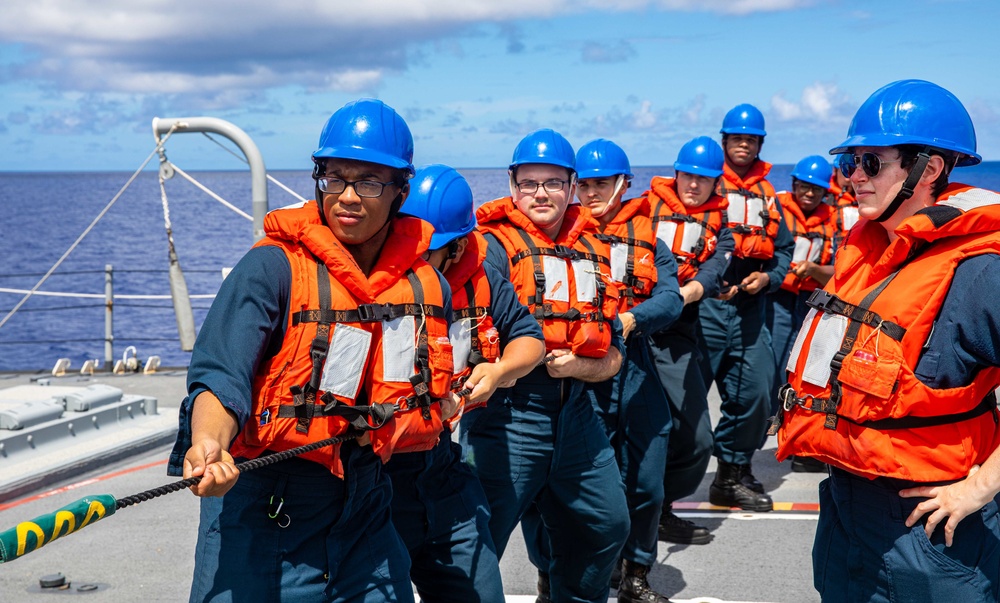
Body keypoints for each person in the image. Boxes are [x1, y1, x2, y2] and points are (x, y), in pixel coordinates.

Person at [167, 99, 454, 603]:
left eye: (367, 182)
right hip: (265, 500)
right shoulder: (271, 268)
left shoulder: (423, 286)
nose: (346, 196)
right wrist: (209, 444)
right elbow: (220, 373)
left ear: (401, 192)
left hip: (365, 503)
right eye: (333, 178)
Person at [773, 79, 1000, 602]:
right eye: (849, 162)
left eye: (870, 163)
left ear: (929, 170)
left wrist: (980, 487)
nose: (853, 177)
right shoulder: (870, 253)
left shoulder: (978, 271)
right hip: (847, 514)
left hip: (930, 535)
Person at [461, 129, 630, 603]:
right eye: (529, 182)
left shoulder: (596, 252)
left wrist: (582, 366)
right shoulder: (490, 248)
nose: (541, 193)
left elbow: (614, 351)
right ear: (512, 186)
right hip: (508, 414)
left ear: (572, 186)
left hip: (577, 411)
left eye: (553, 183)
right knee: (477, 543)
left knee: (606, 525)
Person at [389, 164, 546, 603]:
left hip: (441, 466)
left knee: (477, 591)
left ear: (456, 249)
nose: (412, 264)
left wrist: (498, 372)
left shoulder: (482, 283)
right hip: (375, 473)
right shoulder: (374, 285)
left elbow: (529, 338)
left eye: (426, 254)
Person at [572, 139, 683, 602]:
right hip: (580, 371)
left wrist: (628, 320)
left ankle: (636, 574)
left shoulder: (649, 239)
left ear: (623, 185)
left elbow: (671, 297)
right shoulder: (564, 238)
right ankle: (569, 572)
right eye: (586, 184)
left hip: (635, 363)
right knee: (582, 483)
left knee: (647, 481)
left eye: (602, 183)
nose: (593, 193)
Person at [700, 104, 794, 512]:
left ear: (760, 144)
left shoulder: (768, 196)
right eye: (737, 137)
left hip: (751, 307)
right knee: (684, 408)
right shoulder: (703, 183)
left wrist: (770, 279)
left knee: (756, 396)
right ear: (724, 141)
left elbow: (785, 250)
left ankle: (730, 475)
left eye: (752, 139)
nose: (744, 143)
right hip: (704, 310)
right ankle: (660, 503)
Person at [643, 136, 735, 543]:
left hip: (678, 331)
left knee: (697, 438)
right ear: (675, 174)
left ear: (717, 184)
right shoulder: (643, 212)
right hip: (632, 329)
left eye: (704, 179)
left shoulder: (723, 230)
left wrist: (690, 291)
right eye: (687, 176)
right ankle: (633, 525)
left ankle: (663, 505)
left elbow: (714, 271)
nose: (694, 185)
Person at [764, 155, 836, 475]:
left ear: (826, 193)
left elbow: (842, 267)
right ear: (793, 184)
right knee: (776, 366)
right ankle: (776, 426)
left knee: (807, 372)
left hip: (812, 301)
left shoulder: (833, 220)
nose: (809, 193)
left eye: (817, 189)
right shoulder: (775, 209)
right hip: (776, 299)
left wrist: (816, 270)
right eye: (804, 186)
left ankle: (802, 445)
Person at [829, 154, 859, 254]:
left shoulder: (870, 200)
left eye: (851, 171)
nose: (847, 179)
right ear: (835, 171)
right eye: (844, 172)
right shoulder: (823, 198)